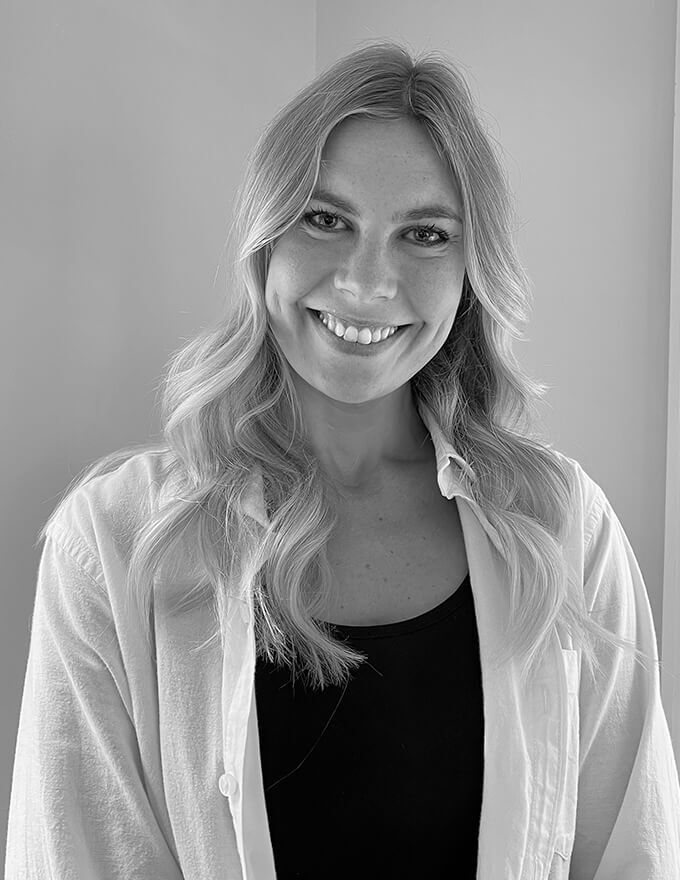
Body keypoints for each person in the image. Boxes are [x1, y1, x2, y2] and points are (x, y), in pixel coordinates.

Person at [5, 40, 680, 880]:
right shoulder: (111, 545)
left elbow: (636, 857)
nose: (367, 282)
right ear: (265, 239)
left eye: (425, 235)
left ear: (472, 274)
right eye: (326, 219)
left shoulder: (563, 531)